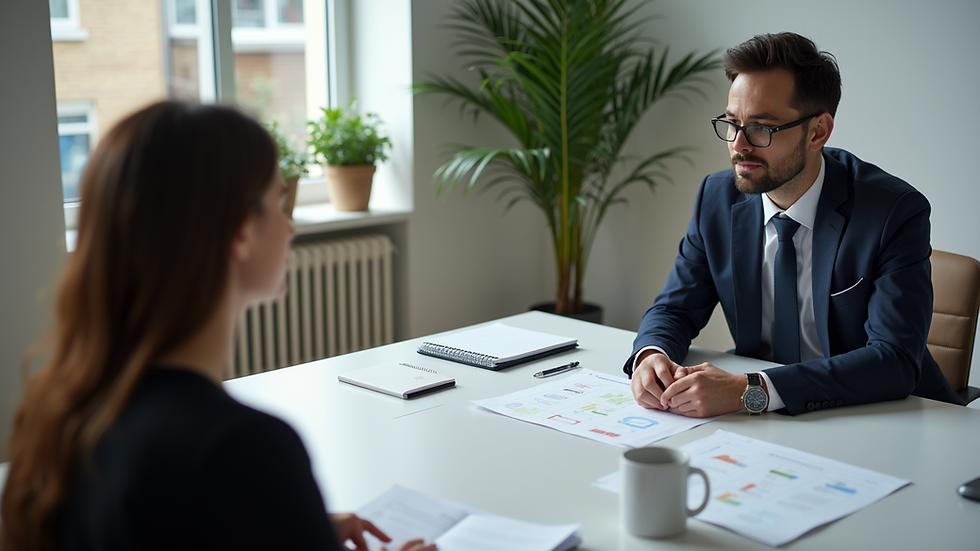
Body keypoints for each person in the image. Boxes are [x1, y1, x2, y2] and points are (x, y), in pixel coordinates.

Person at [0, 101, 435, 551]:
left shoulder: (65, 411)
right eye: (278, 203)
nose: (290, 230)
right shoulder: (243, 448)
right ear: (241, 230)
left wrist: (288, 524)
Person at [625, 32, 962, 418]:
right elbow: (675, 309)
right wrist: (652, 355)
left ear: (818, 131)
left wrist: (749, 391)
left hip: (885, 417)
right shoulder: (717, 198)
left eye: (760, 128)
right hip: (774, 427)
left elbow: (894, 360)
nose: (738, 145)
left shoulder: (893, 212)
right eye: (731, 124)